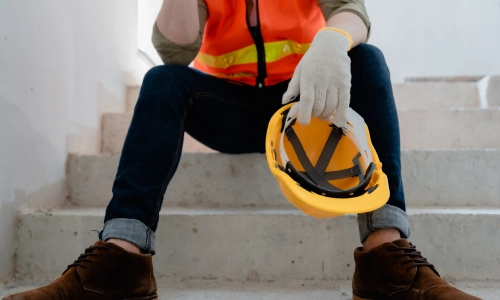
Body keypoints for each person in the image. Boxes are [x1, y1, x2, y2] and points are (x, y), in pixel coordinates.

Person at [3, 0, 480, 299]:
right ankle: (120, 257)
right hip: (227, 110)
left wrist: (333, 42)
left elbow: (351, 10)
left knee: (367, 58)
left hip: (303, 108)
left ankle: (386, 255)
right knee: (161, 81)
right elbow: (175, 53)